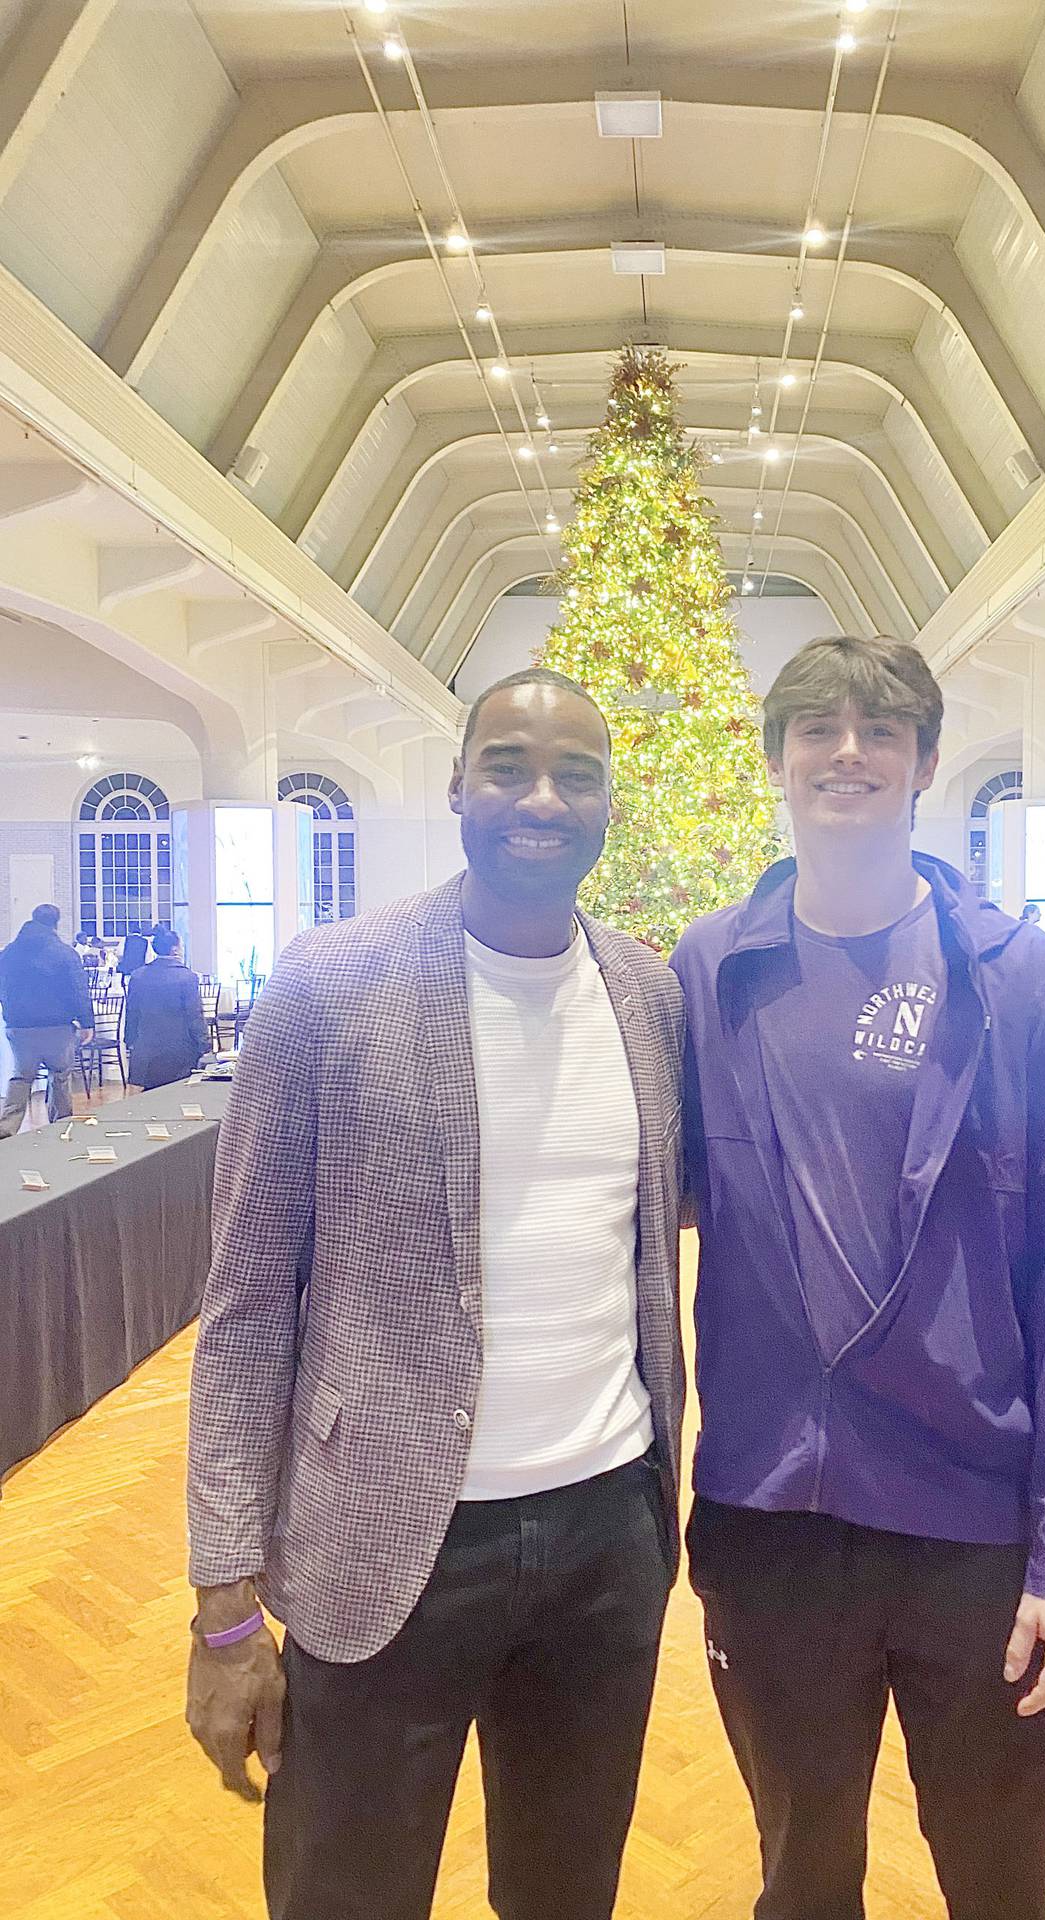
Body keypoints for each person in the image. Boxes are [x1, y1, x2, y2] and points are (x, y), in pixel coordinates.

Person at [186, 669, 685, 1920]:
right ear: (457, 785)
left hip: (606, 1538)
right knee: (345, 1893)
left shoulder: (649, 996)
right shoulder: (327, 987)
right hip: (384, 1542)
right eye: (509, 765)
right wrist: (224, 1605)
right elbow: (246, 1309)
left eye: (576, 771)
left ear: (610, 802)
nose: (542, 796)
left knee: (569, 1892)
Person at [671, 635, 1045, 1920]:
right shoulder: (709, 973)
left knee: (1000, 1879)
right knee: (801, 1880)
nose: (846, 751)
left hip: (977, 1523)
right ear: (776, 760)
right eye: (816, 727)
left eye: (878, 729)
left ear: (924, 763)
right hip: (773, 1518)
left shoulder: (1018, 978)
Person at [0, 904, 95, 1137]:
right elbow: (78, 989)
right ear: (56, 923)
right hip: (57, 1025)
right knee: (60, 1075)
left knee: (21, 1077)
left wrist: (10, 1011)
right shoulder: (64, 953)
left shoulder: (9, 952)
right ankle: (61, 1125)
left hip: (20, 1026)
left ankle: (6, 1127)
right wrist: (86, 1022)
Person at [123, 927, 210, 1090]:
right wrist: (205, 1045)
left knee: (149, 1098)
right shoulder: (187, 977)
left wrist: (130, 1041)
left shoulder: (138, 975)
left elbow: (132, 1013)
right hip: (179, 1050)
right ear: (175, 949)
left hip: (146, 1049)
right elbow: (194, 1016)